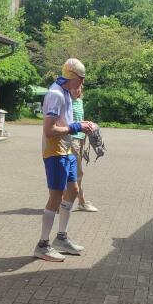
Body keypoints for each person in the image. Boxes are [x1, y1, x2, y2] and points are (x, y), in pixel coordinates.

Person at [34, 58, 96, 261]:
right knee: (56, 196)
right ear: (72, 76)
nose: (82, 83)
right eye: (81, 78)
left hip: (66, 149)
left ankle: (61, 238)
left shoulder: (67, 93)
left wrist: (81, 124)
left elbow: (65, 122)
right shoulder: (56, 94)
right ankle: (42, 245)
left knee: (73, 190)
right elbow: (49, 130)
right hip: (54, 152)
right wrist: (75, 127)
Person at [70, 85, 98, 212]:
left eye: (80, 88)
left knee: (77, 173)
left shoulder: (80, 101)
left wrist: (87, 125)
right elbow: (66, 122)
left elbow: (79, 120)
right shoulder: (66, 101)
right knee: (77, 172)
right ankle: (78, 202)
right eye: (75, 87)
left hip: (81, 138)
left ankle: (79, 202)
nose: (77, 90)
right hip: (71, 139)